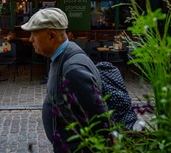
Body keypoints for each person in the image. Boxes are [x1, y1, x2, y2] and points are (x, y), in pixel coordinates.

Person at [21, 8, 110, 152]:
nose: (30, 39)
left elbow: (100, 120)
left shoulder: (73, 70)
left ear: (52, 36)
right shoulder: (60, 56)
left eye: (34, 33)